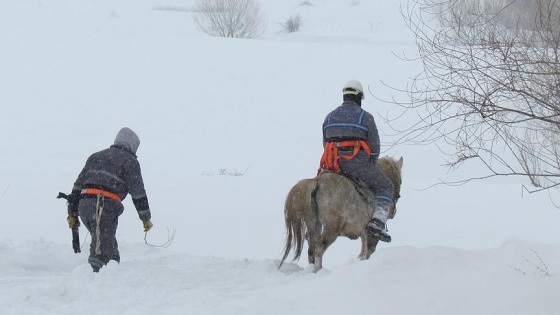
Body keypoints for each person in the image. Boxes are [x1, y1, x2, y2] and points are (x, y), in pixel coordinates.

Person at [66, 127, 153, 272]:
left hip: (84, 206)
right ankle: (90, 284)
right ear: (133, 145)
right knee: (101, 254)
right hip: (103, 207)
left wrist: (73, 213)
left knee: (110, 250)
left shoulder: (95, 156)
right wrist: (145, 218)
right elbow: (138, 193)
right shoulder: (130, 161)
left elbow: (76, 187)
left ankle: (111, 280)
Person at [319, 79, 394, 242]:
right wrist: (370, 164)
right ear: (359, 96)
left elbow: (325, 143)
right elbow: (374, 148)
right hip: (357, 164)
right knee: (386, 186)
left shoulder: (329, 117)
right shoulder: (365, 117)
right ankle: (377, 222)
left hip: (332, 165)